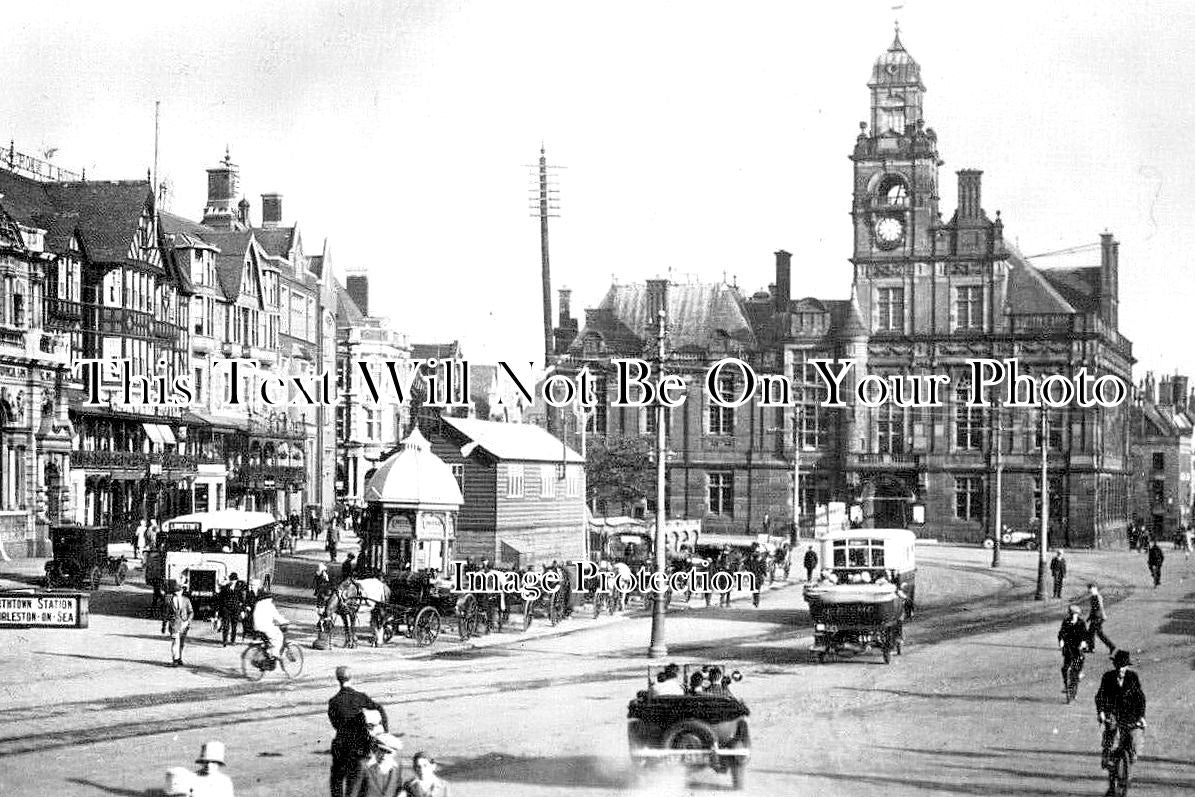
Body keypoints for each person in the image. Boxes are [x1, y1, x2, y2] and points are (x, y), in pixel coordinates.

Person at [329, 666, 390, 797]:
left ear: (337, 680)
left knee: (337, 781)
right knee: (356, 785)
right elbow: (380, 709)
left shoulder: (333, 702)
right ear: (352, 678)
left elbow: (335, 724)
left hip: (341, 746)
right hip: (360, 748)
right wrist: (384, 733)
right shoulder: (360, 697)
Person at [1095, 650, 1146, 777]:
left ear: (1127, 666)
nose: (1120, 669)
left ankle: (1130, 756)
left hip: (1129, 714)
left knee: (1132, 737)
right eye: (1118, 665)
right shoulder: (1108, 677)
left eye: (1123, 666)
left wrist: (1141, 716)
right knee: (1111, 732)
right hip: (1112, 712)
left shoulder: (1133, 677)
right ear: (1114, 665)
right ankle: (1106, 754)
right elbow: (1100, 695)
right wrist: (1101, 712)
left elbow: (1140, 698)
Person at [349, 732, 405, 797]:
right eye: (382, 750)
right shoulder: (364, 766)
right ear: (376, 749)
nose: (384, 755)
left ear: (394, 754)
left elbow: (398, 789)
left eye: (388, 752)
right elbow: (353, 792)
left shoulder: (397, 768)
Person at [250, 588, 290, 665]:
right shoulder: (269, 605)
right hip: (266, 627)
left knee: (268, 641)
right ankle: (275, 654)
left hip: (257, 627)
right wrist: (284, 621)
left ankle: (267, 653)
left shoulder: (258, 604)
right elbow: (276, 616)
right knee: (278, 637)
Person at [1057, 604, 1089, 693]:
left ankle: (1079, 673)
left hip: (1078, 646)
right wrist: (1061, 641)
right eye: (1071, 614)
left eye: (1074, 614)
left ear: (1077, 614)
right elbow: (1061, 633)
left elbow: (1085, 635)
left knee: (1080, 660)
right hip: (1068, 646)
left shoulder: (1081, 623)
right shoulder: (1066, 622)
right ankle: (1066, 685)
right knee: (1064, 668)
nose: (1072, 616)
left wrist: (1083, 642)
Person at [166, 580, 194, 667]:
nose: (177, 593)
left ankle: (179, 658)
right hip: (174, 623)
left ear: (182, 591)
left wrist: (188, 621)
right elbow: (166, 613)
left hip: (184, 624)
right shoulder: (169, 600)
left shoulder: (186, 600)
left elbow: (191, 612)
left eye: (179, 591)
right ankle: (175, 659)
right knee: (175, 641)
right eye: (176, 591)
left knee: (181, 642)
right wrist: (165, 624)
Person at [218, 573, 246, 647]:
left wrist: (242, 610)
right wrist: (218, 611)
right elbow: (220, 600)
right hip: (226, 609)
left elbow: (242, 600)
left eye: (234, 580)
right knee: (225, 626)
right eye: (232, 580)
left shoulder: (239, 588)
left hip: (235, 609)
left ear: (236, 580)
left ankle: (233, 640)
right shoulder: (225, 587)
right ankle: (224, 641)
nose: (233, 581)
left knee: (234, 626)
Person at [1087, 583, 1116, 654]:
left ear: (1095, 588)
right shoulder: (1093, 597)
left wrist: (1103, 616)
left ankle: (1112, 647)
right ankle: (1091, 648)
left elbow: (1100, 607)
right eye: (1089, 589)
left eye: (1091, 589)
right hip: (1095, 617)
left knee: (1098, 634)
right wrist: (1089, 617)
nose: (1090, 590)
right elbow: (1092, 609)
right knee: (1091, 632)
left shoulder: (1097, 597)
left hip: (1098, 618)